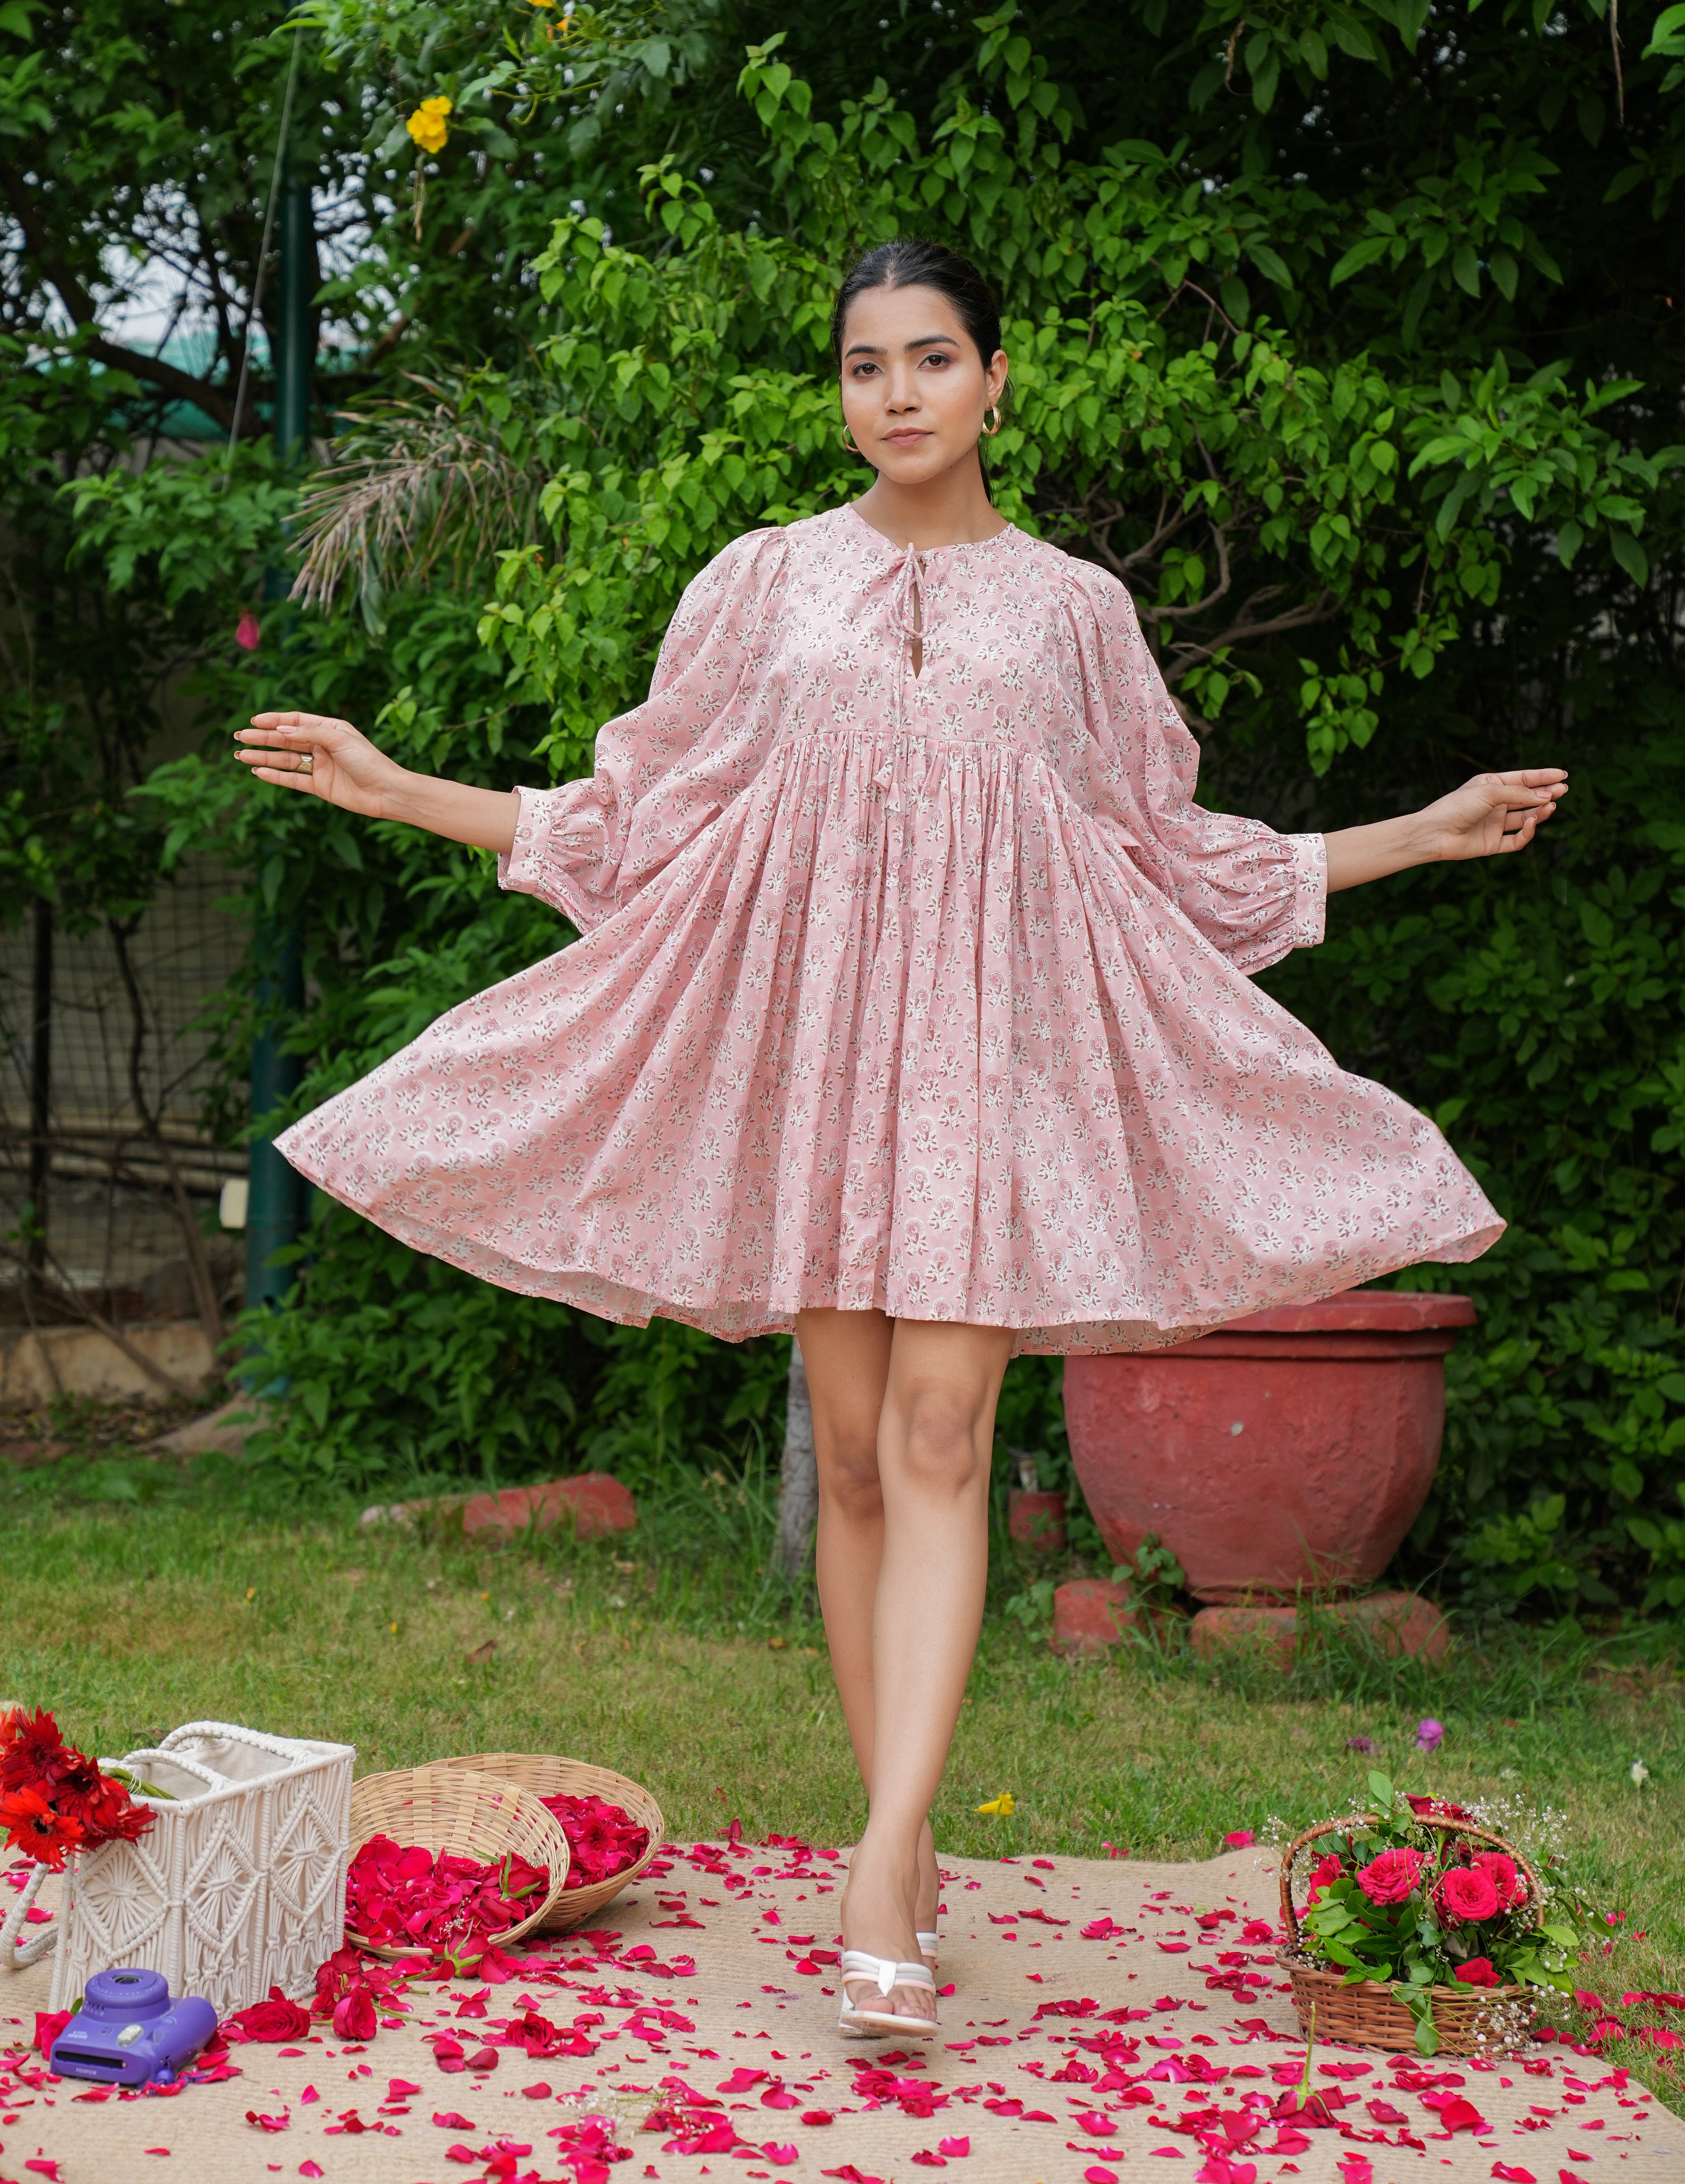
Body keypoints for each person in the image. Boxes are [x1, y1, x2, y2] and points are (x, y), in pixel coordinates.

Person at [236, 238, 1564, 2040]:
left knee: (946, 1428)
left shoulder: (1078, 611)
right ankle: (907, 1837)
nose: (901, 396)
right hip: (818, 1073)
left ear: (997, 380)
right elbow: (638, 830)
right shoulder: (761, 586)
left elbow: (1171, 865)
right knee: (854, 1456)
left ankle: (881, 1857)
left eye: (933, 360)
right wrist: (404, 789)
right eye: (868, 367)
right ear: (843, 392)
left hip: (985, 1084)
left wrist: (1409, 832)